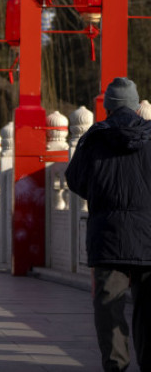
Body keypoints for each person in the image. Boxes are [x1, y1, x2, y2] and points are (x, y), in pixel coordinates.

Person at [66, 77, 151, 372]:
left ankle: (116, 365)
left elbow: (75, 180)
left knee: (109, 307)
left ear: (108, 108)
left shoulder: (93, 138)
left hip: (108, 236)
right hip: (148, 235)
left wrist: (102, 197)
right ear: (136, 104)